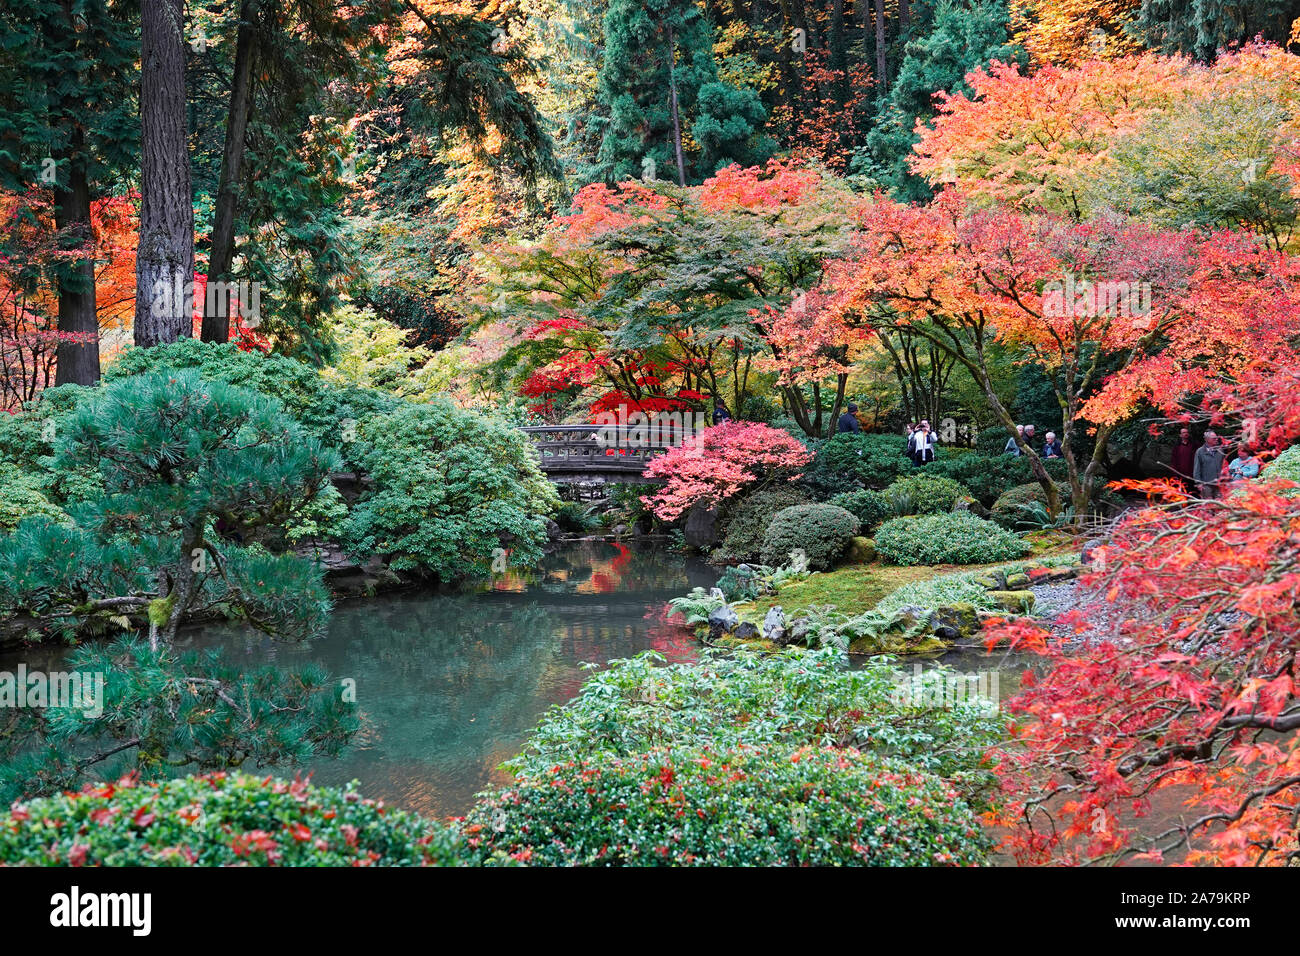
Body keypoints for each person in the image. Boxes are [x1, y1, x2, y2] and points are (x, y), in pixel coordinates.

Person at [1193, 430, 1225, 499]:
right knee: (1208, 506)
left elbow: (1224, 466)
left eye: (1216, 438)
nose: (1216, 439)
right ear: (1207, 439)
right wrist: (1198, 483)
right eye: (1214, 438)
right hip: (1206, 484)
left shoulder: (1220, 450)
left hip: (1219, 483)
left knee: (1220, 505)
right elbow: (1197, 468)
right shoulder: (1200, 451)